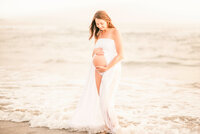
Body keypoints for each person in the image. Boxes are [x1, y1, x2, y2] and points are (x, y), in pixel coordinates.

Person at [66, 10, 124, 134]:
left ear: (107, 20)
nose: (99, 26)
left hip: (111, 69)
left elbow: (120, 55)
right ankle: (108, 127)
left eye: (101, 23)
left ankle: (116, 128)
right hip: (97, 70)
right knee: (100, 99)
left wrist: (107, 68)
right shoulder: (99, 34)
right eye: (97, 24)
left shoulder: (115, 32)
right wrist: (95, 52)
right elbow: (94, 51)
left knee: (106, 100)